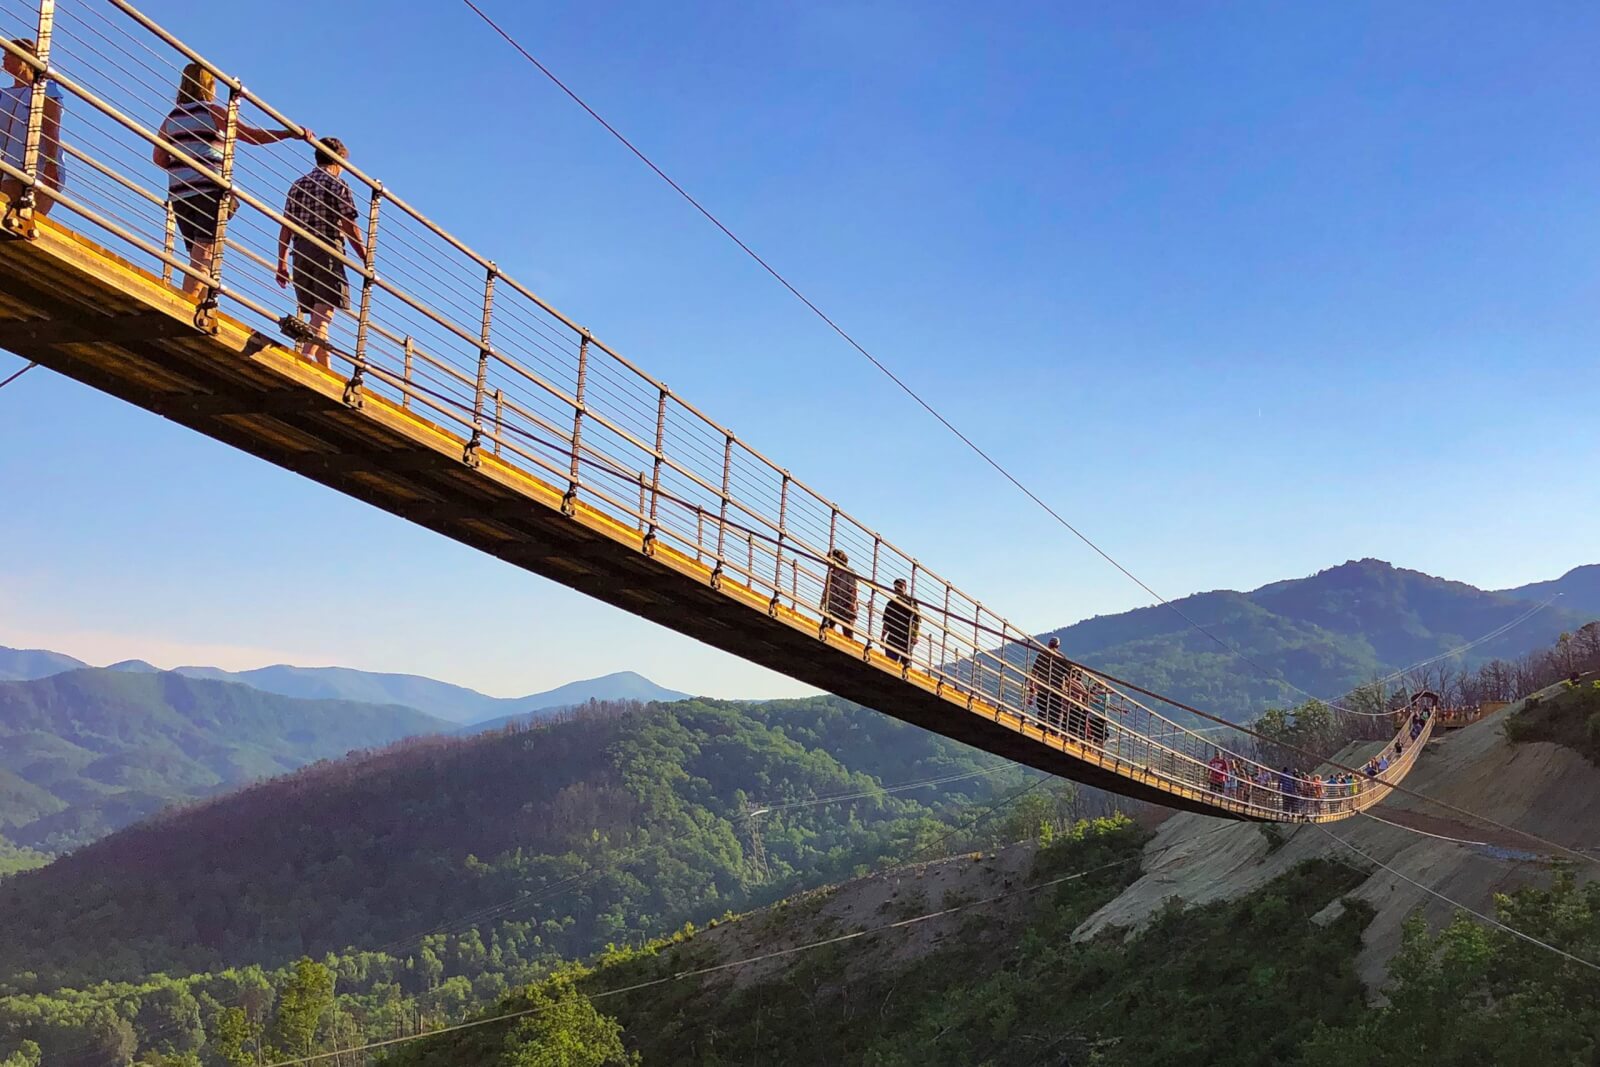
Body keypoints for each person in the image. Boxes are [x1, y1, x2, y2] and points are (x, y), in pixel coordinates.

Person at [155, 60, 305, 297]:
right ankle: (185, 303)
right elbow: (252, 136)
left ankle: (201, 302)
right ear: (209, 86)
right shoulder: (212, 111)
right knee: (204, 252)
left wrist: (184, 161)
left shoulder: (171, 118)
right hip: (208, 189)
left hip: (181, 194)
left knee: (200, 253)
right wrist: (287, 133)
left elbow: (159, 157)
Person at [277, 137, 366, 366]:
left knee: (316, 311)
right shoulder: (337, 185)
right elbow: (349, 225)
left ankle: (324, 364)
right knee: (326, 307)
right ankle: (307, 354)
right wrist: (366, 256)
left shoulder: (297, 185)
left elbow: (286, 226)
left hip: (300, 250)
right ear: (338, 160)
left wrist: (282, 262)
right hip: (327, 247)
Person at [0, 38, 62, 218]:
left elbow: (51, 127)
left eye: (9, 55)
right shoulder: (3, 95)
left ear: (24, 59)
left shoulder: (45, 88)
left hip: (38, 165)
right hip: (8, 166)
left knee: (22, 218)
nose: (4, 60)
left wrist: (51, 164)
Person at [1026, 637, 1071, 733]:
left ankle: (1042, 726)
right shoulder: (1061, 657)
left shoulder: (1042, 654)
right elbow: (1068, 673)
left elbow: (1034, 671)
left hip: (1043, 687)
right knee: (1056, 711)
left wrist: (1032, 687)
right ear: (1058, 646)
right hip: (1056, 688)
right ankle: (1054, 730)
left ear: (1048, 644)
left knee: (1042, 708)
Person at [819, 549, 858, 640]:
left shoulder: (849, 572)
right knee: (825, 627)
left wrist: (852, 605)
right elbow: (826, 589)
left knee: (848, 633)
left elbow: (854, 590)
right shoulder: (830, 574)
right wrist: (822, 603)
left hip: (846, 607)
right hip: (833, 606)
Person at [881, 578, 921, 666]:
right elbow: (886, 622)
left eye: (900, 586)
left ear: (905, 587)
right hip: (893, 637)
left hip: (906, 638)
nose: (897, 589)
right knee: (890, 663)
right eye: (895, 587)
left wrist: (915, 636)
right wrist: (882, 637)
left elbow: (917, 622)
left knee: (906, 664)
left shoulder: (912, 602)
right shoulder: (891, 603)